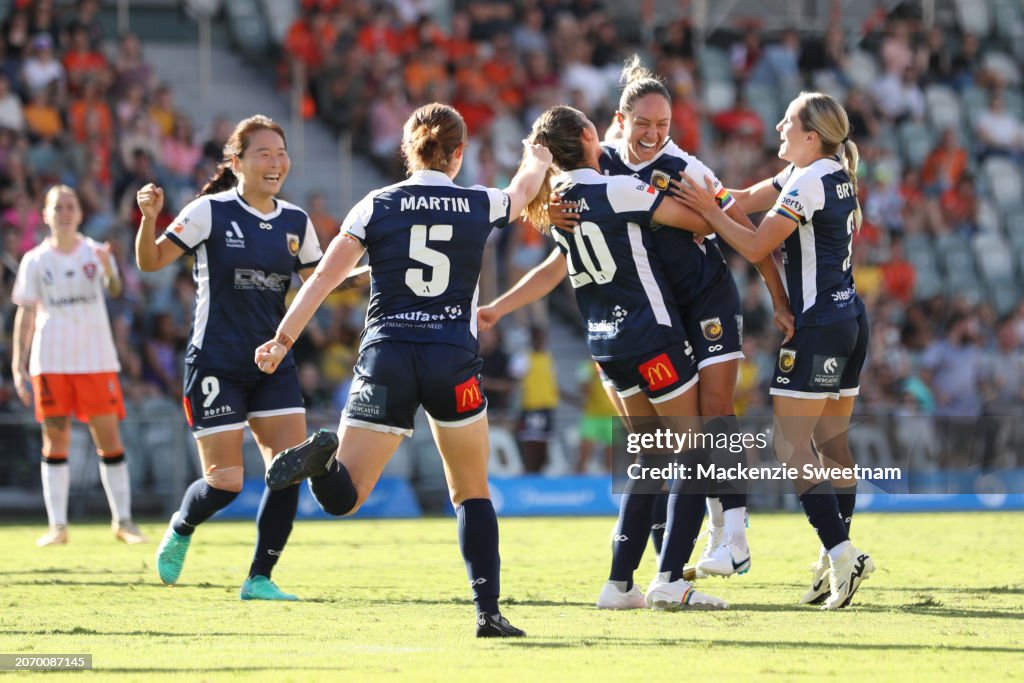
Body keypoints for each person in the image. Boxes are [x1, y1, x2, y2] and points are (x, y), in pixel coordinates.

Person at [253, 103, 552, 637]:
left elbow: (322, 280)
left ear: (407, 150)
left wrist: (281, 340)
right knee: (471, 491)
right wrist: (537, 156)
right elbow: (525, 190)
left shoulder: (375, 205)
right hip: (450, 359)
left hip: (387, 353)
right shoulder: (478, 201)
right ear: (458, 154)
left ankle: (321, 460)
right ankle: (487, 613)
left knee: (343, 497)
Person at [478, 104, 730, 611]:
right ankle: (670, 581)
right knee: (695, 450)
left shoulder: (559, 203)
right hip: (650, 336)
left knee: (650, 457)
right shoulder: (615, 189)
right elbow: (700, 219)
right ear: (591, 135)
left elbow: (554, 271)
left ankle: (619, 585)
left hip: (605, 347)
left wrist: (498, 309)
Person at [590, 56, 794, 579]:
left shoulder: (688, 169)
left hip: (707, 304)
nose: (654, 134)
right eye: (643, 124)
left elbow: (751, 239)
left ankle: (734, 534)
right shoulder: (601, 166)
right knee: (673, 438)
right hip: (659, 315)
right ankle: (677, 555)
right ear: (621, 117)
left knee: (715, 413)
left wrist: (779, 301)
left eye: (663, 125)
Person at [674, 91, 875, 610]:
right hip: (850, 318)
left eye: (788, 122)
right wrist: (706, 194)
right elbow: (739, 199)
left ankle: (842, 552)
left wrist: (705, 212)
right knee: (832, 446)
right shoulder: (827, 171)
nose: (779, 127)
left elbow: (757, 245)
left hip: (820, 325)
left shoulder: (807, 180)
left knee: (791, 448)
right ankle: (836, 559)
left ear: (812, 135)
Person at [135, 115, 323, 601]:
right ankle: (181, 525)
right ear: (236, 162)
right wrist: (149, 218)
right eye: (264, 153)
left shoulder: (297, 222)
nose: (276, 162)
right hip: (215, 363)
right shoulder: (208, 212)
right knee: (224, 484)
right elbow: (150, 262)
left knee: (288, 470)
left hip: (272, 362)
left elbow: (321, 284)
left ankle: (259, 578)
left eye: (281, 153)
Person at [11, 185, 146, 547]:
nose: (65, 213)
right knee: (55, 441)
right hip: (50, 361)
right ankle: (58, 526)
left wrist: (108, 269)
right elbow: (24, 314)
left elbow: (115, 289)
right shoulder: (36, 260)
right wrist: (17, 365)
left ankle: (124, 521)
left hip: (95, 360)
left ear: (80, 214)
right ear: (46, 215)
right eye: (58, 207)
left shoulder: (95, 252)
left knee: (109, 439)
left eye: (70, 206)